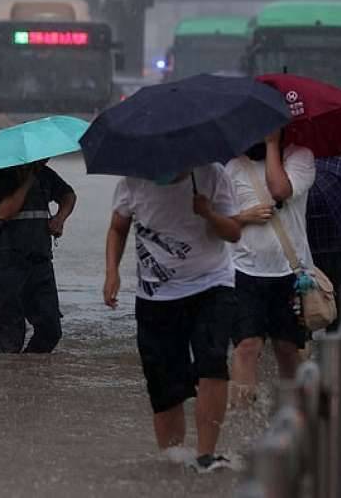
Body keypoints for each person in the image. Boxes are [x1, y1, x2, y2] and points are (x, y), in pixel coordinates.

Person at [103, 165, 241, 472]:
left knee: (212, 361)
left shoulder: (212, 175)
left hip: (211, 283)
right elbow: (117, 228)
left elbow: (233, 232)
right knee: (164, 382)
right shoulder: (133, 180)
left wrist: (208, 213)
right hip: (157, 296)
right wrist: (111, 272)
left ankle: (206, 456)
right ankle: (174, 460)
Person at [224, 131, 315, 405]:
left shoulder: (301, 157)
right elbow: (219, 222)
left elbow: (280, 190)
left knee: (288, 348)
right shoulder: (234, 166)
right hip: (243, 272)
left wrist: (272, 144)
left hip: (292, 273)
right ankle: (243, 419)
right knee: (246, 347)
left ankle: (295, 417)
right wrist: (244, 217)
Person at [0, 159, 76, 353]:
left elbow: (69, 195)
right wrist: (27, 181)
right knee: (9, 339)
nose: (46, 159)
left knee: (51, 330)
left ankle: (30, 373)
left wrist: (59, 219)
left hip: (41, 262)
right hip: (9, 264)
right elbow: (4, 212)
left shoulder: (45, 174)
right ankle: (9, 376)